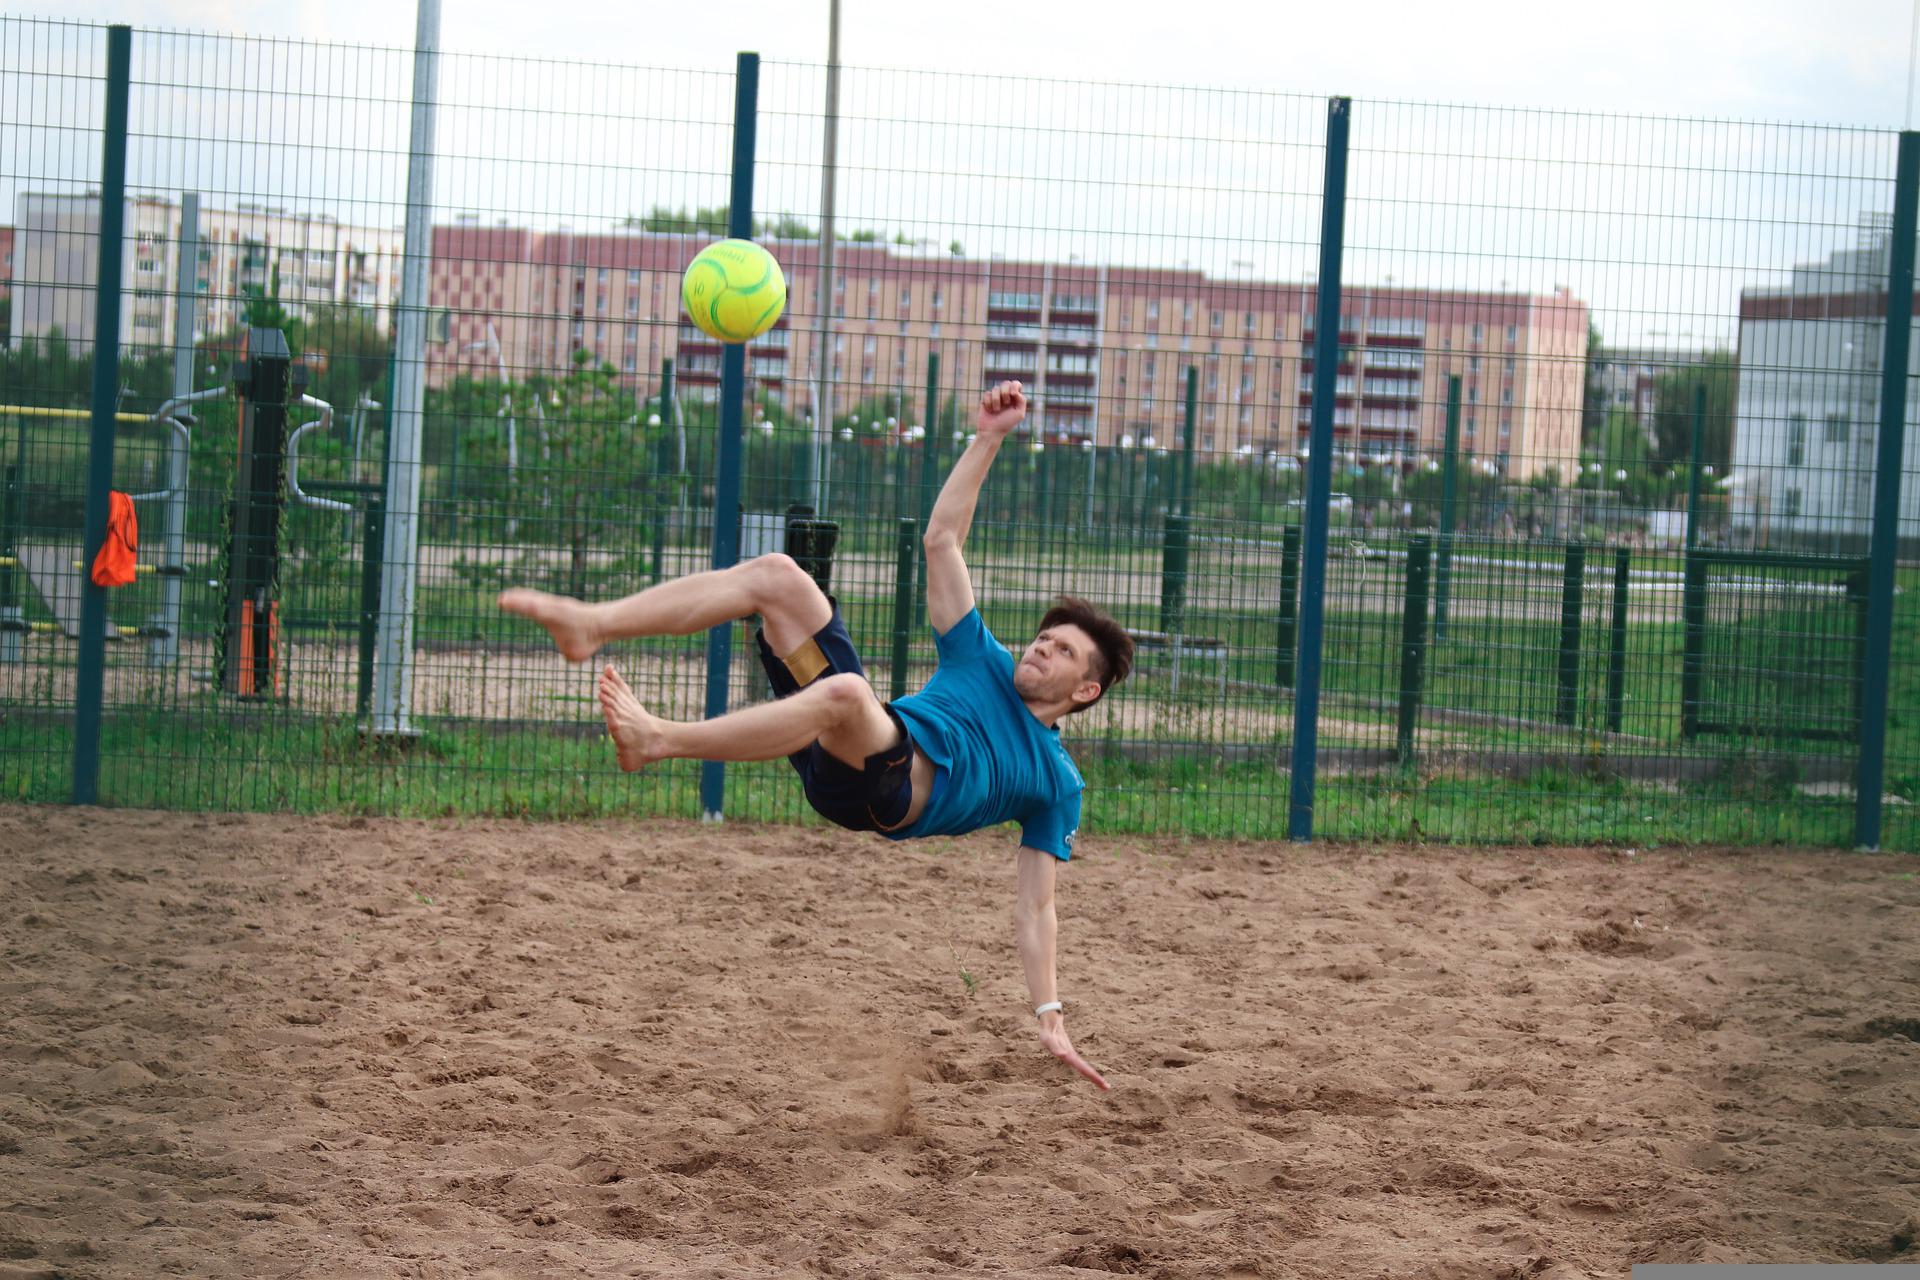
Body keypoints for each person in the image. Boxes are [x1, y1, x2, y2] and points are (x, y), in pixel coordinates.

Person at [498, 381, 1132, 1091]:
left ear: (1085, 692)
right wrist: (988, 437)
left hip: (880, 791)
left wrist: (1049, 1012)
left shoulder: (1055, 780)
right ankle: (593, 623)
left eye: (1064, 652)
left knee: (847, 694)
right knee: (780, 577)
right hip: (842, 741)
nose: (1042, 648)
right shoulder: (977, 655)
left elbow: (1037, 903)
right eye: (1045, 637)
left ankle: (660, 740)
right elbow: (941, 539)